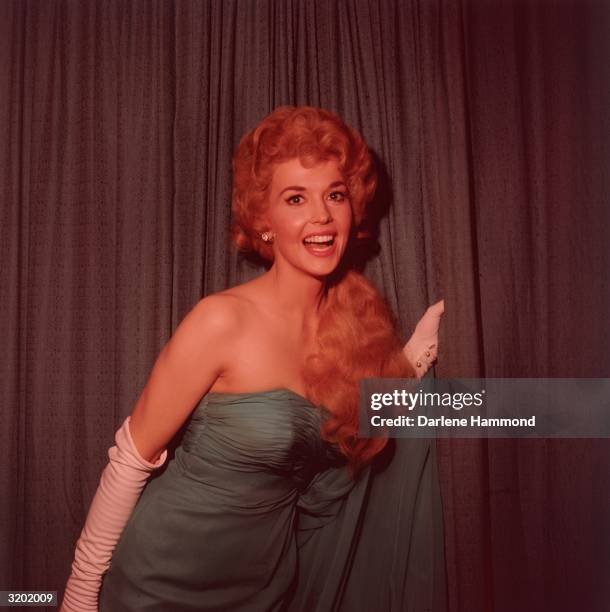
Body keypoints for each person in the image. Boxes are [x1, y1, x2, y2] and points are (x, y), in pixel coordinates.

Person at [61, 105, 446, 611]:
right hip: (160, 581)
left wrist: (415, 358)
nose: (321, 216)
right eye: (295, 198)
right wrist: (79, 595)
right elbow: (129, 461)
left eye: (335, 194)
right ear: (264, 219)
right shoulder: (221, 320)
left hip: (264, 592)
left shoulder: (357, 335)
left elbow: (372, 430)